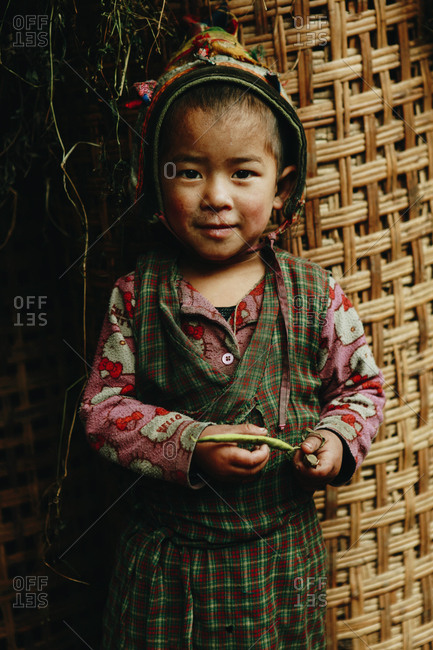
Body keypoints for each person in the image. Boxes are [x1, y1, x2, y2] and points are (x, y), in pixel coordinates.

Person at [80, 23, 385, 649]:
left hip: (279, 571)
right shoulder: (136, 297)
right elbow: (101, 411)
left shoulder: (314, 295)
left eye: (243, 173)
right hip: (167, 573)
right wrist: (191, 443)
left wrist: (333, 441)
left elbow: (361, 389)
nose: (216, 196)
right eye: (189, 172)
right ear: (156, 186)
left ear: (281, 188)